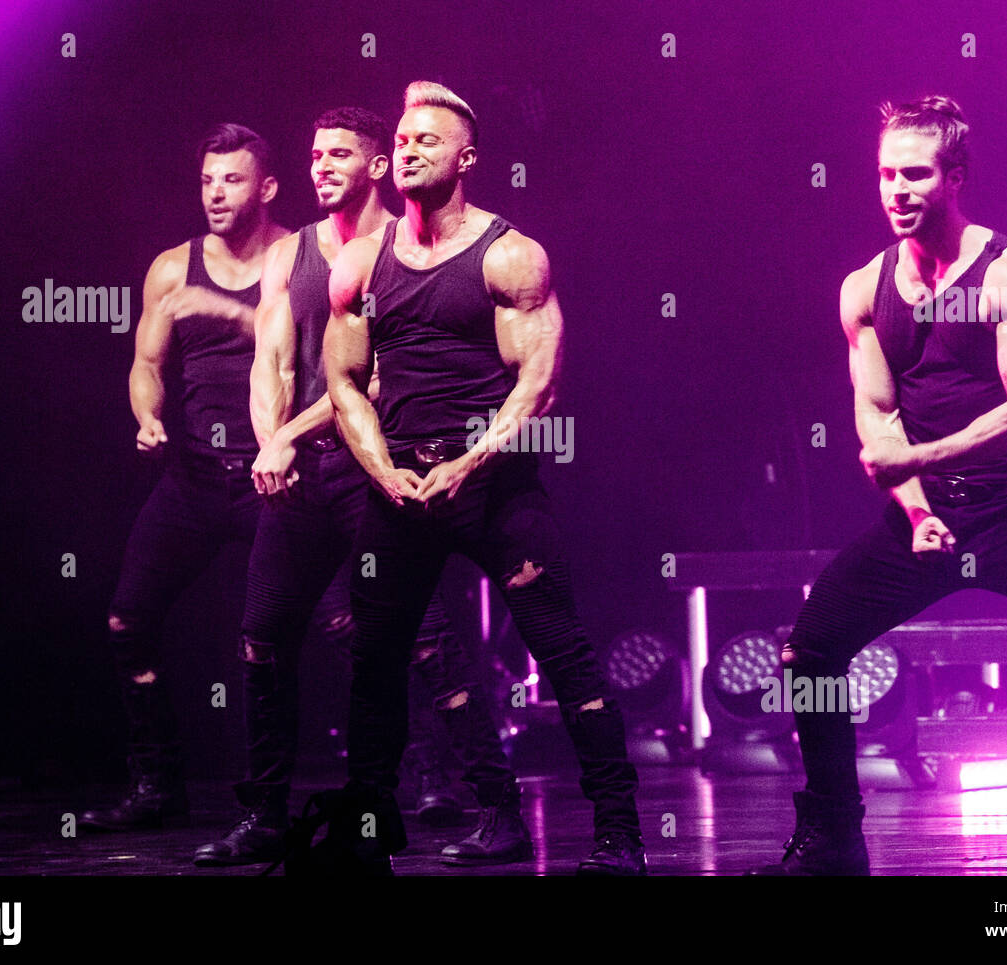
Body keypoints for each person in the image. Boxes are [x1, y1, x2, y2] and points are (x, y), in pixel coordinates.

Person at [750, 96, 1007, 875]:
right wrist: (914, 508)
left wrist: (920, 461)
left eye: (916, 173)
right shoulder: (862, 291)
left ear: (956, 177)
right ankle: (836, 835)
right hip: (930, 517)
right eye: (884, 174)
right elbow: (878, 420)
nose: (897, 190)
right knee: (811, 649)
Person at [194, 107, 531, 867]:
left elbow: (370, 379)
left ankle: (495, 806)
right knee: (261, 637)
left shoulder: (395, 254)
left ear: (377, 166)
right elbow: (270, 362)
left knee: (427, 641)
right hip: (297, 477)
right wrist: (268, 441)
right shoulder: (291, 255)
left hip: (368, 467)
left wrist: (289, 435)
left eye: (339, 155)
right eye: (315, 155)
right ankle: (269, 814)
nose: (321, 167)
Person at [325, 82, 646, 875]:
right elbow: (343, 385)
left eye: (427, 141)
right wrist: (387, 472)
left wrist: (469, 462)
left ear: (466, 158)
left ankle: (618, 833)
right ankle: (397, 833)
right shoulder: (360, 263)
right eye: (401, 139)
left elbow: (539, 383)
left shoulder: (509, 255)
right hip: (400, 487)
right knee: (375, 665)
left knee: (563, 653)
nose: (407, 150)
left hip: (493, 487)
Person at [83, 124, 289, 831]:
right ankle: (157, 784)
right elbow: (146, 363)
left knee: (348, 621)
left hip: (277, 478)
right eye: (206, 180)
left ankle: (408, 777)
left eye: (230, 180)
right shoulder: (173, 267)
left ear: (266, 187)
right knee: (126, 620)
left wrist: (228, 311)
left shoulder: (300, 257)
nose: (214, 194)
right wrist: (148, 416)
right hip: (196, 476)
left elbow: (311, 346)